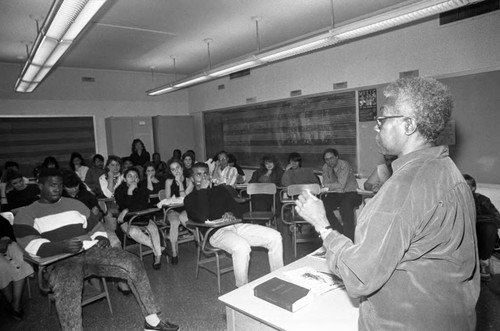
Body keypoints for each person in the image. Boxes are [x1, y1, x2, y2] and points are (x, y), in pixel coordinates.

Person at [294, 77, 479, 330]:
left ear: (409, 124)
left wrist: (322, 225)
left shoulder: (405, 185)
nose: (376, 127)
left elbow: (360, 275)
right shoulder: (448, 171)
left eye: (382, 119)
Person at [13, 168, 179, 331]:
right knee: (68, 287)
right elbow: (28, 245)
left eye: (59, 184)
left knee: (132, 262)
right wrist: (61, 247)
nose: (57, 188)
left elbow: (95, 226)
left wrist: (100, 238)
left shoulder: (75, 204)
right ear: (40, 186)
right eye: (51, 185)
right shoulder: (27, 214)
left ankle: (152, 321)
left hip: (91, 252)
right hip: (59, 261)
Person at [184, 162, 284, 287]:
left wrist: (230, 213)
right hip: (215, 232)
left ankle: (278, 277)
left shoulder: (220, 190)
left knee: (275, 236)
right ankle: (241, 288)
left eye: (205, 174)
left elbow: (238, 210)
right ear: (192, 179)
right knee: (242, 247)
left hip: (235, 225)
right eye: (198, 175)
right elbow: (202, 216)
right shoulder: (190, 199)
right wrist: (203, 190)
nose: (203, 177)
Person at [115, 167, 165, 270]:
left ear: (138, 179)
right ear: (124, 179)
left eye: (135, 176)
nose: (133, 179)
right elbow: (122, 204)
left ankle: (158, 257)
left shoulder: (142, 189)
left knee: (153, 229)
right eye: (129, 176)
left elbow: (143, 206)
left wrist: (126, 209)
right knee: (133, 232)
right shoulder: (119, 191)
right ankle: (159, 249)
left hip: (142, 217)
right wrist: (129, 193)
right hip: (127, 220)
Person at [463, 174, 500, 282]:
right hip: (460, 233)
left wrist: (474, 218)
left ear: (473, 188)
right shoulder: (452, 199)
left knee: (489, 228)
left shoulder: (482, 200)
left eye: (466, 185)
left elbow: (497, 218)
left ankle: (484, 263)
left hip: (479, 232)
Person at [320, 148, 361, 241]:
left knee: (345, 206)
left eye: (331, 158)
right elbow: (328, 184)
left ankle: (348, 238)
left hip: (352, 192)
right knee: (322, 205)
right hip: (337, 194)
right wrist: (334, 186)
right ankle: (338, 232)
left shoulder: (344, 165)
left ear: (337, 157)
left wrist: (329, 186)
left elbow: (341, 185)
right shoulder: (325, 167)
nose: (329, 161)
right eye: (326, 159)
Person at [0, 215, 33, 321]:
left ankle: (14, 304)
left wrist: (7, 240)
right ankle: (14, 304)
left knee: (22, 259)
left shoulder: (1, 220)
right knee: (2, 267)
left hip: (7, 245)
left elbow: (12, 233)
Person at [163, 159, 194, 264]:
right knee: (175, 222)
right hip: (172, 209)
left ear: (182, 168)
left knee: (184, 219)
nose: (176, 171)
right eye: (173, 169)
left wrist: (180, 183)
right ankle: (174, 252)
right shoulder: (168, 181)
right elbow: (167, 198)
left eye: (178, 168)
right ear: (170, 172)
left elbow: (184, 198)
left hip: (186, 208)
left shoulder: (189, 181)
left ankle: (200, 239)